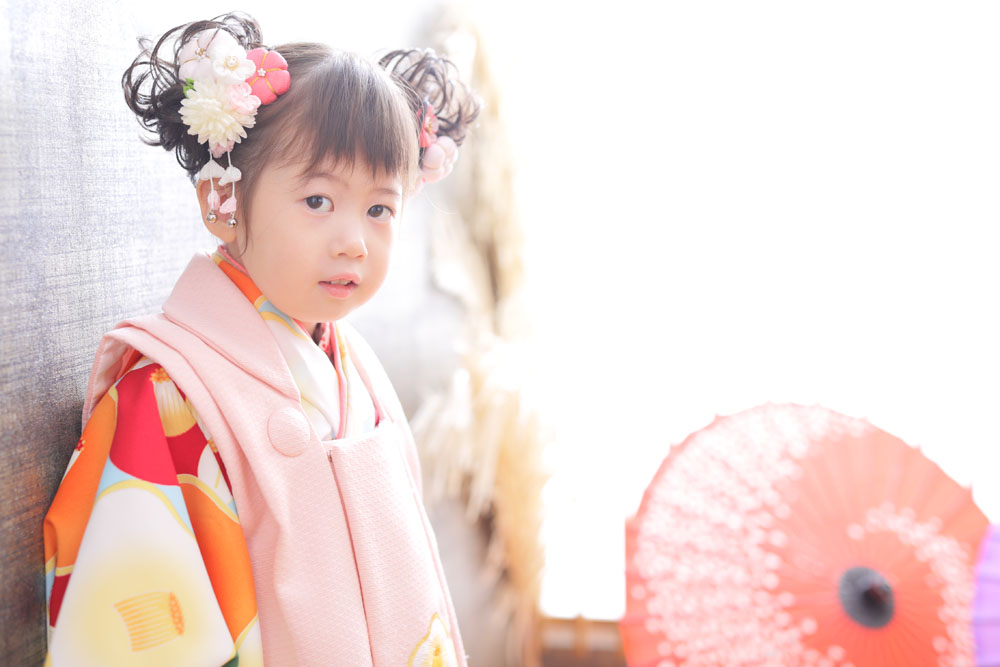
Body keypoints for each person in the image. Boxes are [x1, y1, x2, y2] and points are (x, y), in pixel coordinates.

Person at [42, 12, 479, 666]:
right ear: (222, 201)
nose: (354, 242)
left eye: (379, 208)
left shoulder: (359, 369)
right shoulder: (164, 398)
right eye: (318, 201)